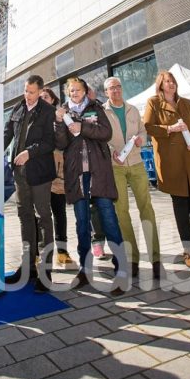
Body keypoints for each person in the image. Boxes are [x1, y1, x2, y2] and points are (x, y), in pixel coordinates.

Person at [55, 76, 128, 294]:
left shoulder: (96, 108)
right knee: (82, 223)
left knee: (108, 219)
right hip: (77, 175)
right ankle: (85, 272)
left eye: (77, 90)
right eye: (71, 91)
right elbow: (60, 144)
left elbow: (106, 133)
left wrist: (83, 127)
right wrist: (60, 123)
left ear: (85, 91)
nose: (74, 94)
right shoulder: (64, 112)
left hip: (99, 173)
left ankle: (121, 270)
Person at [143, 69, 190, 268]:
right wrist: (170, 129)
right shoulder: (153, 103)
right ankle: (188, 251)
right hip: (171, 162)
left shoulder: (187, 103)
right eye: (167, 81)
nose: (171, 84)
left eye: (173, 81)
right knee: (181, 206)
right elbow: (147, 126)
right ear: (160, 85)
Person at [103, 76, 160, 281]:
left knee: (147, 208)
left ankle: (156, 260)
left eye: (118, 87)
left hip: (136, 164)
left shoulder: (133, 109)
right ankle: (133, 259)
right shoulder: (102, 112)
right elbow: (100, 138)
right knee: (122, 212)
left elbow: (144, 132)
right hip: (115, 167)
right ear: (106, 92)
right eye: (112, 88)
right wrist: (111, 152)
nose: (116, 90)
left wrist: (140, 140)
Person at [3, 75, 57, 292]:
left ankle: (45, 271)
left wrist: (29, 152)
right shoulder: (18, 108)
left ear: (40, 90)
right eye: (26, 91)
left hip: (40, 172)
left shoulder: (48, 111)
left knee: (43, 217)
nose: (28, 96)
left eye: (32, 92)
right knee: (24, 216)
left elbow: (50, 142)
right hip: (19, 172)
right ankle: (27, 268)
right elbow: (8, 133)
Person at [40, 87, 73, 267]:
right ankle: (41, 254)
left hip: (57, 172)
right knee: (40, 214)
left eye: (46, 96)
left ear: (53, 100)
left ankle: (62, 252)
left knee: (59, 213)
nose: (43, 99)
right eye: (40, 97)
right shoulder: (35, 117)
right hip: (39, 172)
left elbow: (65, 142)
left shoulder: (61, 115)